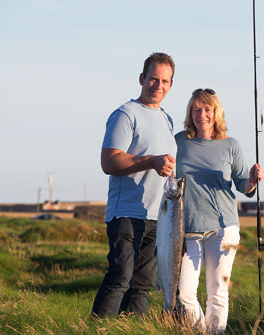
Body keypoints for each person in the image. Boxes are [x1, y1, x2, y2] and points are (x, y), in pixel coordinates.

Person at [91, 52, 177, 318]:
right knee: (120, 278)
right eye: (153, 79)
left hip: (158, 217)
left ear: (170, 85)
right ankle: (98, 328)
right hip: (126, 213)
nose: (158, 86)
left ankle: (133, 328)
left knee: (142, 286)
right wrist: (151, 161)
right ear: (142, 78)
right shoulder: (125, 114)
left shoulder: (167, 119)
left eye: (165, 81)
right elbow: (110, 162)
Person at [175, 88, 263, 333]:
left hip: (224, 228)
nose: (201, 115)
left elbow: (243, 185)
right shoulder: (179, 141)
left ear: (216, 112)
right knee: (184, 293)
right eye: (196, 109)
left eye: (207, 109)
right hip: (187, 228)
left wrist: (253, 180)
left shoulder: (231, 145)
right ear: (190, 112)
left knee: (217, 293)